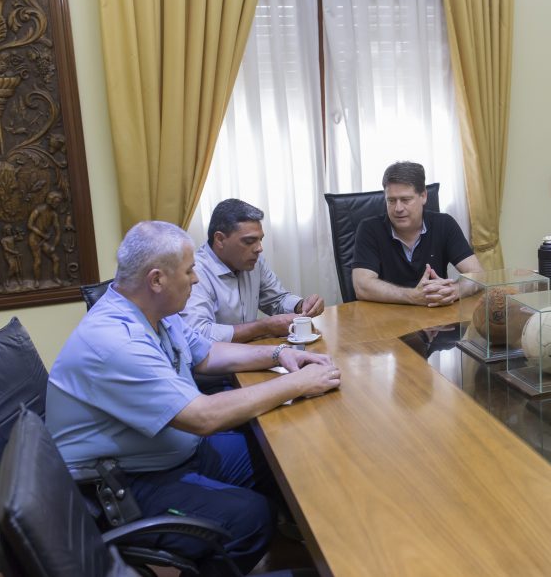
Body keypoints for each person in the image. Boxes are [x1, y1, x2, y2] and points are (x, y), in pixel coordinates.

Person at [46, 221, 340, 574]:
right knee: (249, 518)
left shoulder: (153, 312)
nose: (197, 279)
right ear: (157, 280)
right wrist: (299, 383)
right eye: (189, 271)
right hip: (124, 484)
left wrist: (280, 355)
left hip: (172, 454)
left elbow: (207, 354)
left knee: (281, 452)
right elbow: (203, 417)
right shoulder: (114, 341)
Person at [181, 199, 325, 342]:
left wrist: (300, 305)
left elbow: (276, 299)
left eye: (260, 240)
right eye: (249, 242)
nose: (259, 248)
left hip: (251, 353)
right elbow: (199, 333)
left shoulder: (254, 261)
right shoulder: (194, 272)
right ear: (219, 239)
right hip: (215, 361)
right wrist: (263, 327)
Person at [352, 161, 482, 305]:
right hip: (387, 319)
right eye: (391, 201)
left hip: (436, 318)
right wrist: (412, 296)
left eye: (405, 200)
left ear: (424, 196)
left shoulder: (444, 224)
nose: (398, 208)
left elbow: (478, 274)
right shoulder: (369, 229)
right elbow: (361, 287)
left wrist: (455, 290)